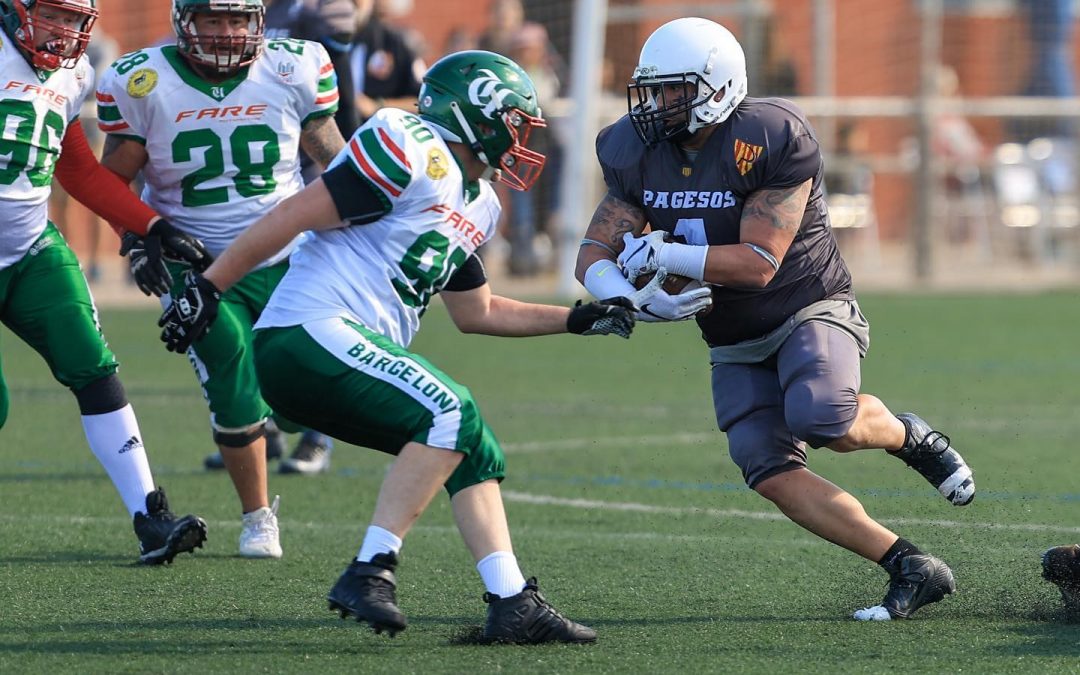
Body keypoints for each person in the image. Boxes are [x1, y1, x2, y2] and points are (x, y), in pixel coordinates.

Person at [157, 50, 646, 641]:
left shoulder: (481, 200)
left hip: (344, 352)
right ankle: (371, 568)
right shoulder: (407, 142)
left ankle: (512, 601)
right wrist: (211, 287)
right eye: (515, 121)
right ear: (477, 114)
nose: (521, 138)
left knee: (473, 446)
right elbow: (297, 214)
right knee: (450, 407)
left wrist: (576, 319)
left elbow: (479, 312)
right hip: (308, 333)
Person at [574, 18, 977, 621]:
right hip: (733, 333)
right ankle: (909, 564)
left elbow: (760, 262)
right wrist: (629, 298)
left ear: (716, 85)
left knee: (822, 417)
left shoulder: (768, 136)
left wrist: (665, 255)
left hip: (806, 305)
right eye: (653, 90)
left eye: (673, 89)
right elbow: (592, 252)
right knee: (765, 462)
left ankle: (908, 435)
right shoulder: (635, 149)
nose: (658, 105)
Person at [97, 0, 347, 558]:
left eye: (238, 20)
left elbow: (335, 160)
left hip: (287, 256)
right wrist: (136, 238)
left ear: (258, 22)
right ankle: (258, 516)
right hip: (197, 259)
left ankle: (286, 420)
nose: (227, 33)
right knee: (231, 371)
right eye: (213, 20)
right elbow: (112, 181)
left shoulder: (293, 67)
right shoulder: (145, 80)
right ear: (186, 22)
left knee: (300, 388)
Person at [0, 0, 209, 564]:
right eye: (52, 15)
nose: (64, 30)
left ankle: (150, 516)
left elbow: (77, 171)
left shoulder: (72, 71)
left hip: (27, 250)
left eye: (73, 19)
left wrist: (148, 224)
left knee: (93, 364)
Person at [202, 0, 358, 475]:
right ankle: (260, 431)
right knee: (234, 340)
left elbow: (337, 105)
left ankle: (317, 436)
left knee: (312, 324)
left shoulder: (317, 17)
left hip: (305, 172)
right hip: (231, 192)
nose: (227, 31)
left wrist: (346, 182)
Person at [348, 0, 424, 125]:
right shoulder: (318, 38)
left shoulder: (394, 43)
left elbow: (422, 102)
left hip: (377, 133)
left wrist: (378, 106)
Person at [1042, 544, 1080, 614]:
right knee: (1071, 588)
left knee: (1069, 588)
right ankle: (1071, 609)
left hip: (1051, 556)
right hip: (1056, 559)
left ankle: (1071, 608)